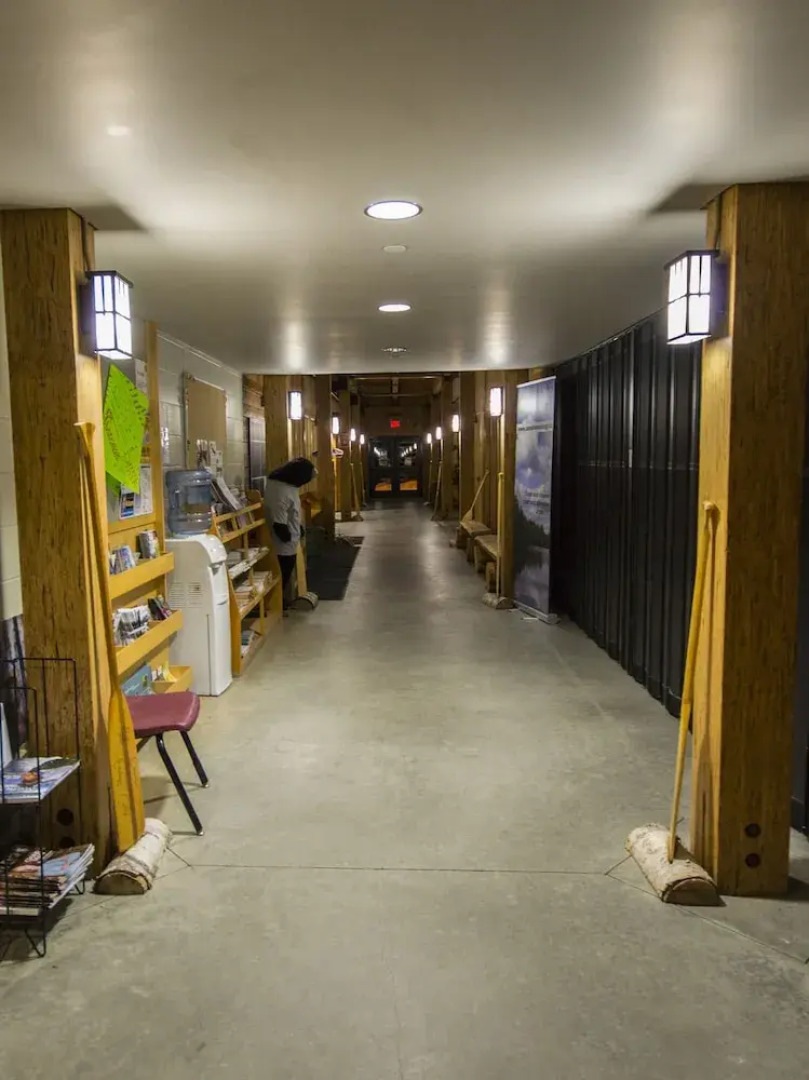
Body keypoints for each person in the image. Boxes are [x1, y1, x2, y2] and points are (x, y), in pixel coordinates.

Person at [264, 457, 317, 606]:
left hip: (289, 536)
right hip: (283, 542)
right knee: (283, 571)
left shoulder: (284, 485)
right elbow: (279, 520)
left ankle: (280, 600)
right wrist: (288, 536)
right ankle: (277, 602)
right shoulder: (281, 490)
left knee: (285, 570)